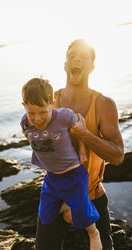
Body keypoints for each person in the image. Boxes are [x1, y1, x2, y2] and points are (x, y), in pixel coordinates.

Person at [36, 39, 124, 250]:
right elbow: (35, 137)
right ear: (65, 64)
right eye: (72, 55)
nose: (77, 59)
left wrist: (85, 135)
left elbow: (118, 156)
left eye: (84, 57)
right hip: (56, 194)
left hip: (91, 194)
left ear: (92, 67)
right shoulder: (50, 102)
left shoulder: (103, 104)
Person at [21, 77, 102, 250]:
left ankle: (94, 234)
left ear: (52, 103)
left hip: (74, 176)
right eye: (31, 113)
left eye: (43, 112)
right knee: (46, 216)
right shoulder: (25, 122)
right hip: (51, 178)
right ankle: (67, 203)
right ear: (24, 107)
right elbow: (30, 136)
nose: (37, 118)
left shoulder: (64, 116)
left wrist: (82, 151)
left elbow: (80, 129)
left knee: (84, 219)